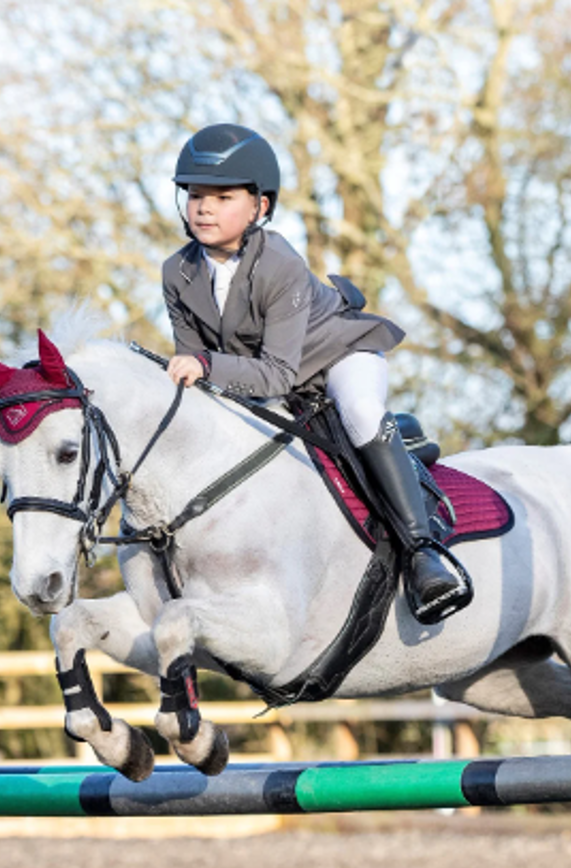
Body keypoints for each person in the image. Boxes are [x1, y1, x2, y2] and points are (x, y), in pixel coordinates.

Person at [162, 123, 460, 623]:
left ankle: (424, 552)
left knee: (362, 412)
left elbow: (277, 374)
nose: (204, 208)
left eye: (223, 196)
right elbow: (197, 378)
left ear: (261, 206)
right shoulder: (178, 271)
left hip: (337, 357)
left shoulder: (278, 261)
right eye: (194, 195)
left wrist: (207, 366)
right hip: (266, 375)